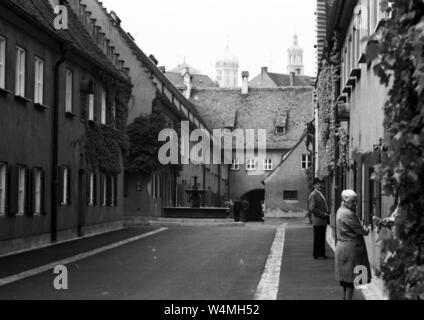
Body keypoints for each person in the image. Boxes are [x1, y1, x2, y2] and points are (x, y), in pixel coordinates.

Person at [335, 190, 371, 300]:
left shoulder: (340, 210)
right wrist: (366, 227)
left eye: (356, 201)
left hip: (342, 247)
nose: (355, 204)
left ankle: (344, 297)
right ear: (346, 201)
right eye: (353, 202)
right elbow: (362, 231)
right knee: (352, 278)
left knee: (346, 278)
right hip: (351, 249)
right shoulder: (348, 214)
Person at [308, 178, 330, 260]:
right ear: (314, 186)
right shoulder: (313, 194)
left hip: (322, 220)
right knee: (318, 238)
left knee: (321, 237)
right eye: (317, 184)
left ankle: (321, 253)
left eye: (320, 184)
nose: (319, 185)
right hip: (318, 220)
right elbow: (312, 208)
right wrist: (323, 213)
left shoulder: (320, 193)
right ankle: (317, 254)